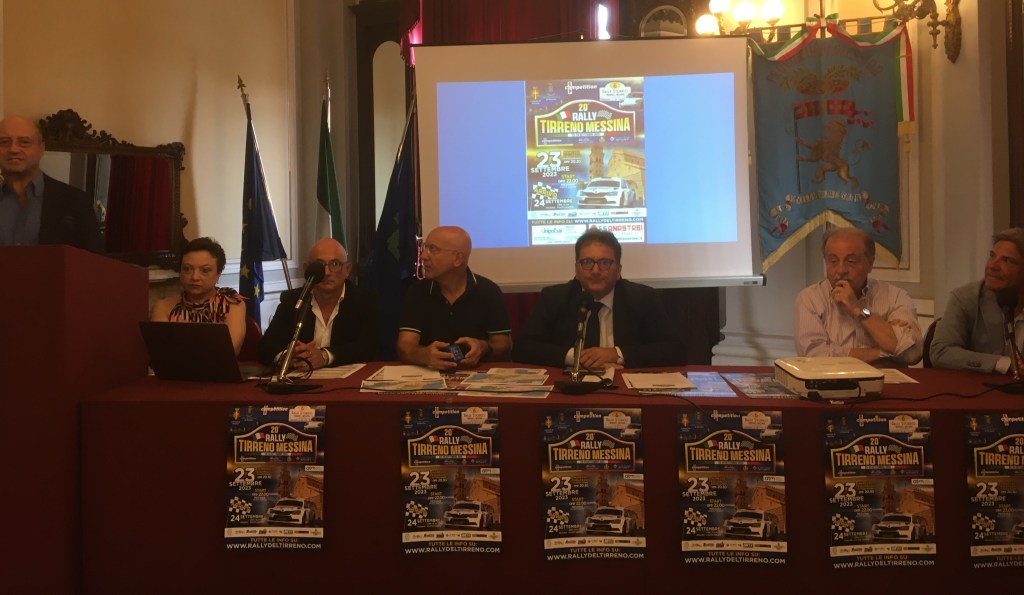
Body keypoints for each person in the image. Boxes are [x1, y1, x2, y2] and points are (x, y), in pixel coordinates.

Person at [511, 229, 682, 369]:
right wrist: (576, 357)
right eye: (587, 262)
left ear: (618, 270)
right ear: (576, 270)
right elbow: (522, 348)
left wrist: (616, 354)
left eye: (605, 263)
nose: (595, 271)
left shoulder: (642, 298)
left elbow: (674, 350)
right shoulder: (555, 298)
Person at [794, 226, 923, 366]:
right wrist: (883, 351)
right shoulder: (810, 299)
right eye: (833, 261)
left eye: (850, 261)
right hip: (832, 379)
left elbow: (912, 353)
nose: (841, 270)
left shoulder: (895, 296)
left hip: (886, 378)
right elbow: (815, 357)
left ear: (870, 263)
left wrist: (858, 309)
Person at [396, 226, 511, 370]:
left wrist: (483, 347)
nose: (423, 256)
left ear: (457, 259)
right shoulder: (417, 292)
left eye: (433, 249)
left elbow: (504, 346)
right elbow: (405, 345)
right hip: (430, 373)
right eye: (425, 248)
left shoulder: (488, 291)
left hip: (477, 374)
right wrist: (424, 355)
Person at [259, 238, 377, 369]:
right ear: (307, 269)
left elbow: (368, 348)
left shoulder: (364, 301)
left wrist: (325, 356)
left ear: (347, 269)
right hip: (300, 377)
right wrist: (288, 356)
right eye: (319, 265)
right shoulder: (293, 300)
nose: (326, 273)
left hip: (348, 378)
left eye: (335, 264)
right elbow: (266, 348)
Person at [0, 115, 103, 252]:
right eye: (4, 142)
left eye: (24, 142)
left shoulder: (76, 201)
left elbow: (95, 259)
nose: (13, 149)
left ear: (41, 149)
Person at [929, 228, 1024, 373]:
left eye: (1006, 260)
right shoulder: (966, 298)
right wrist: (1004, 364)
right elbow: (941, 352)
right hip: (978, 386)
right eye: (992, 256)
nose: (992, 266)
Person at [151, 237, 247, 354]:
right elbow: (161, 352)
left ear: (218, 274)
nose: (194, 277)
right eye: (187, 269)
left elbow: (230, 349)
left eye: (205, 270)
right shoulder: (164, 307)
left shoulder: (232, 304)